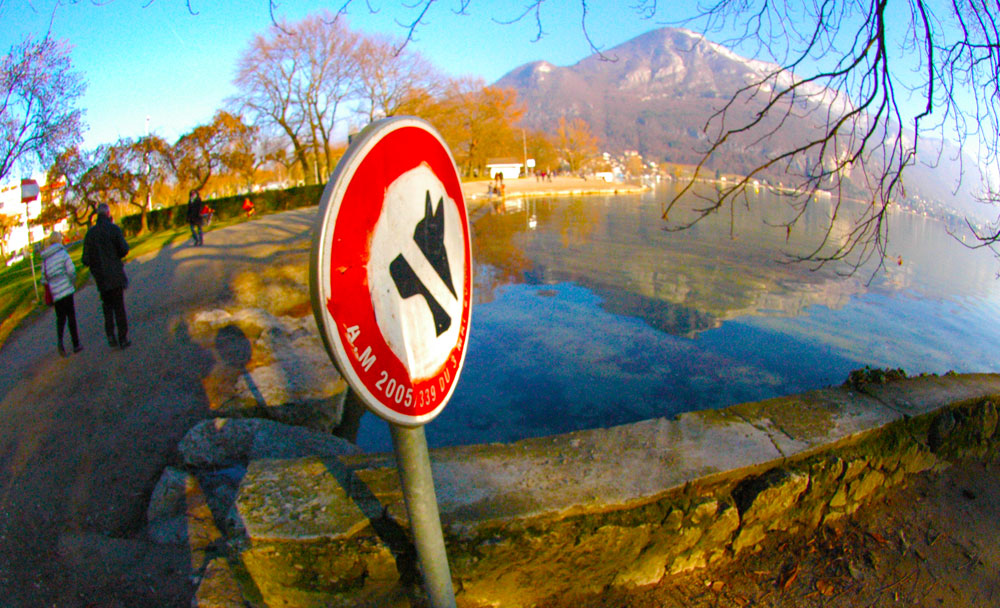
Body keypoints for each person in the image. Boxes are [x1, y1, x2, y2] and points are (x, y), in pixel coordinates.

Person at [82, 203, 131, 349]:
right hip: (115, 273)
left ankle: (110, 336)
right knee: (119, 307)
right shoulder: (113, 229)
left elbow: (85, 259)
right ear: (108, 213)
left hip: (101, 278)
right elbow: (124, 249)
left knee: (107, 308)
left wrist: (95, 266)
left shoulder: (90, 234)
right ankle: (122, 338)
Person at [40, 231, 82, 357]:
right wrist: (71, 281)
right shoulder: (62, 253)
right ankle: (76, 344)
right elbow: (71, 270)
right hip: (66, 289)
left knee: (61, 318)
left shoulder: (45, 259)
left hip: (55, 292)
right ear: (59, 240)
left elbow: (43, 278)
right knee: (71, 317)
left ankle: (60, 341)